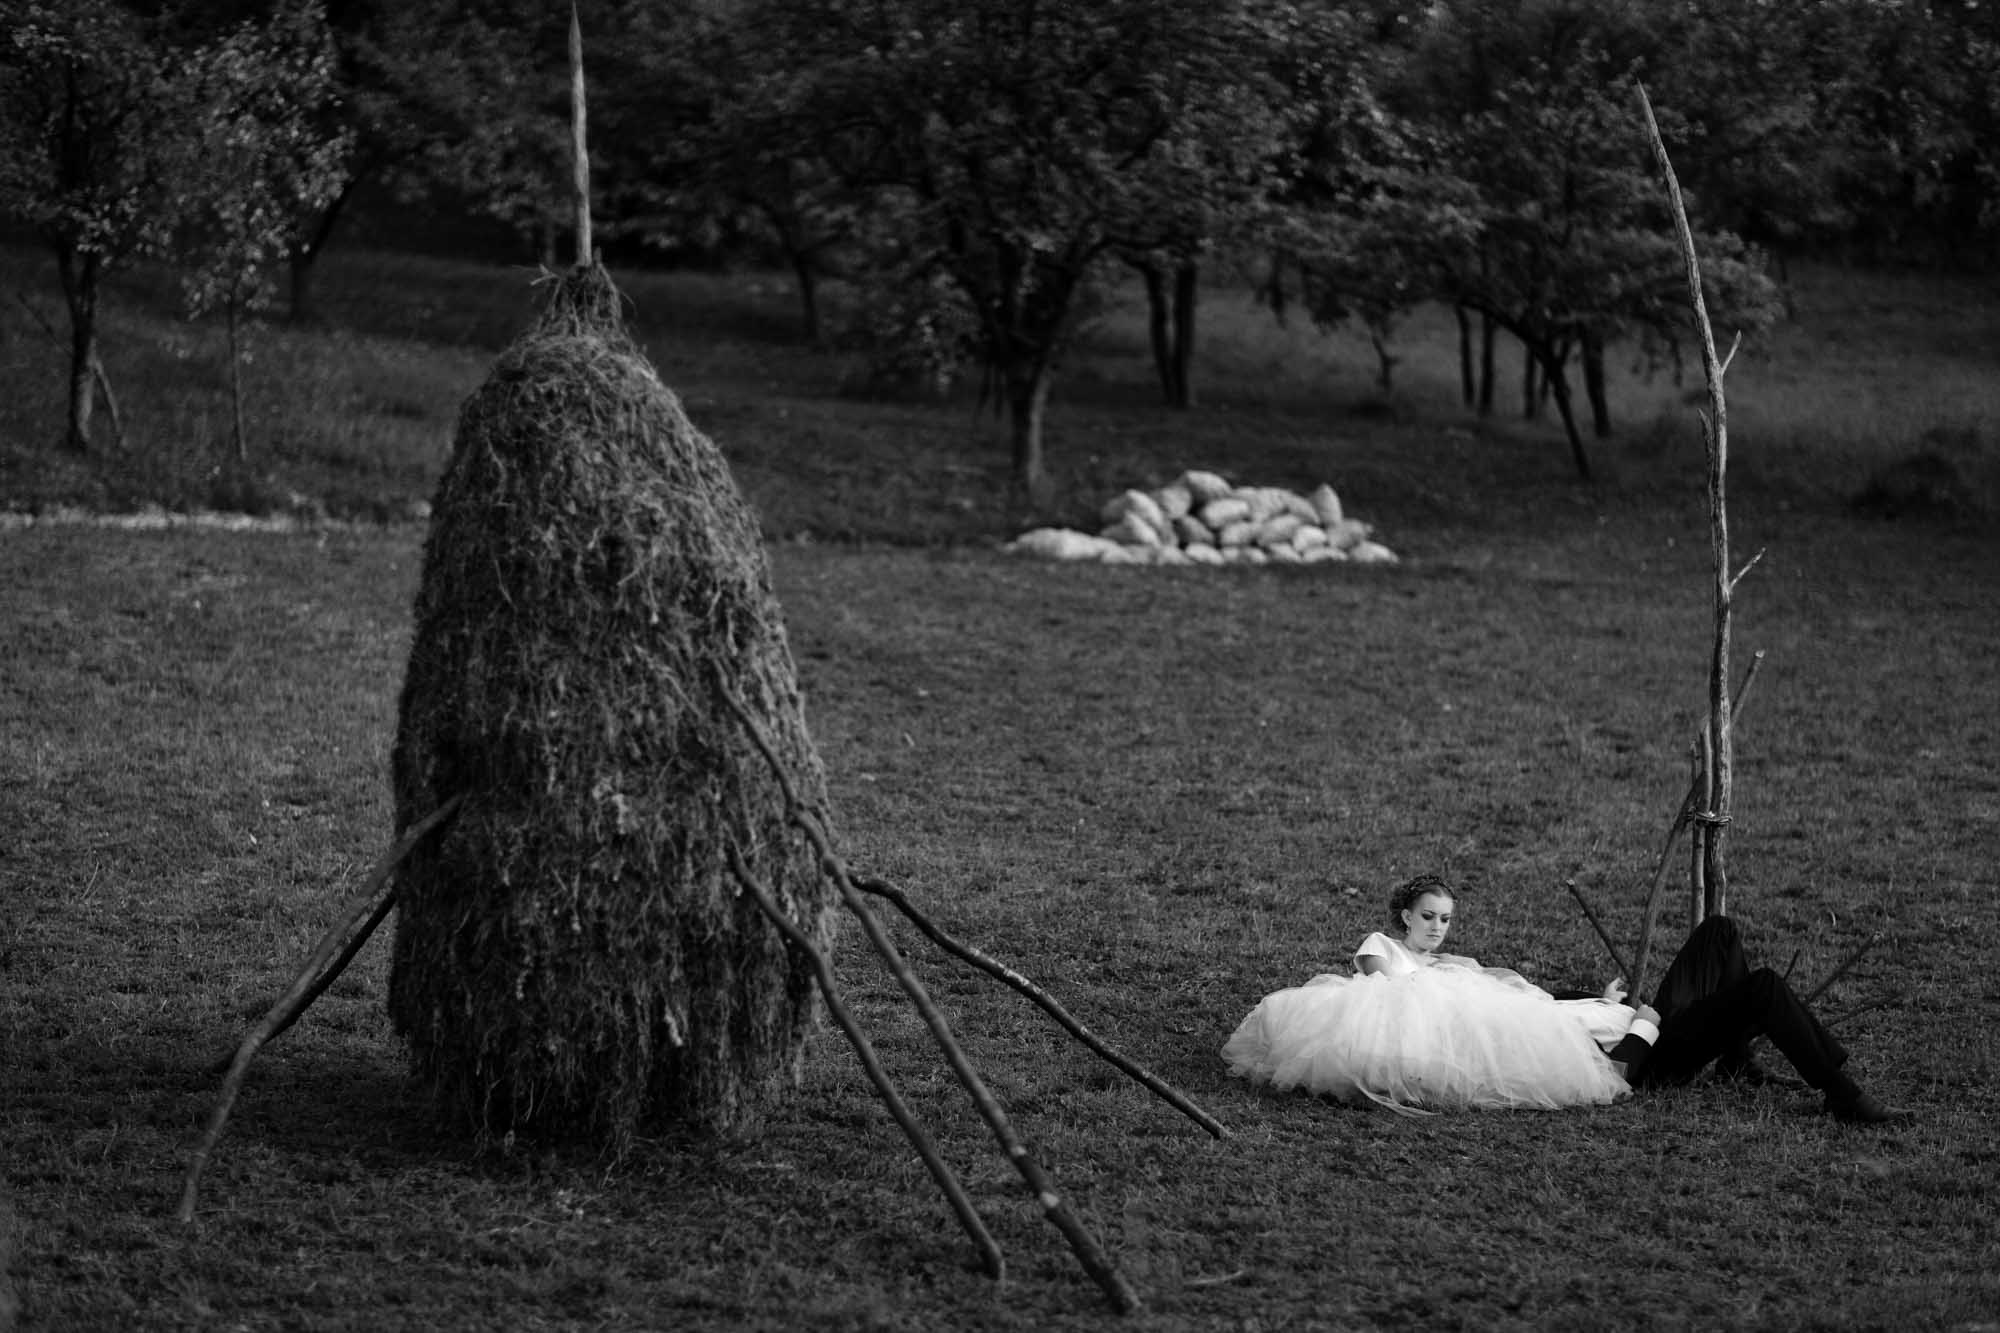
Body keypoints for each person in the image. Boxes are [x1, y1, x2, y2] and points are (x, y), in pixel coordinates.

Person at [1220, 874, 1632, 1113]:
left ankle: (1608, 1016)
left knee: (1540, 1023)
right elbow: (1384, 990)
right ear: (1407, 916)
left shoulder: (1451, 964)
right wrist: (1440, 980)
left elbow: (1515, 995)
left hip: (1446, 1027)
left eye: (1445, 919)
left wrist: (1459, 971)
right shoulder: (1382, 944)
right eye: (1428, 917)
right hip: (1391, 1027)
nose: (1437, 927)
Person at [1574, 913, 1902, 1124]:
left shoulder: (1546, 1001)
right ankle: (1840, 1092)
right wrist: (1641, 1028)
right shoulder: (1543, 1037)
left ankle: (1736, 1060)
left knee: (1719, 929)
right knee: (1763, 986)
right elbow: (1610, 1072)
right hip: (1649, 1059)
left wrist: (1603, 1002)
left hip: (1643, 1024)